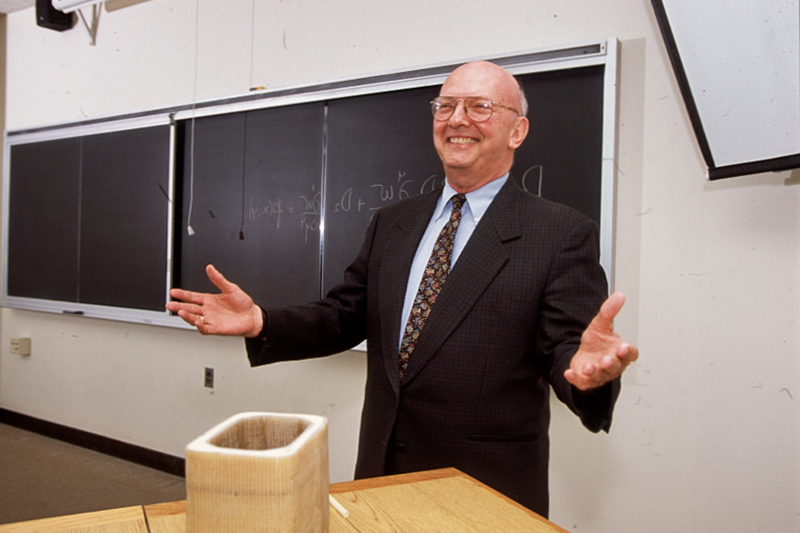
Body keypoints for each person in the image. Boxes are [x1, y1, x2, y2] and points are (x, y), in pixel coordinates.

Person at [167, 60, 638, 517]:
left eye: (479, 107)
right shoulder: (393, 223)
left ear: (517, 131)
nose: (457, 119)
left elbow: (569, 353)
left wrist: (589, 371)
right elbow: (344, 315)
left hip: (484, 487)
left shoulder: (559, 232)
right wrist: (262, 321)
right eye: (445, 106)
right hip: (382, 467)